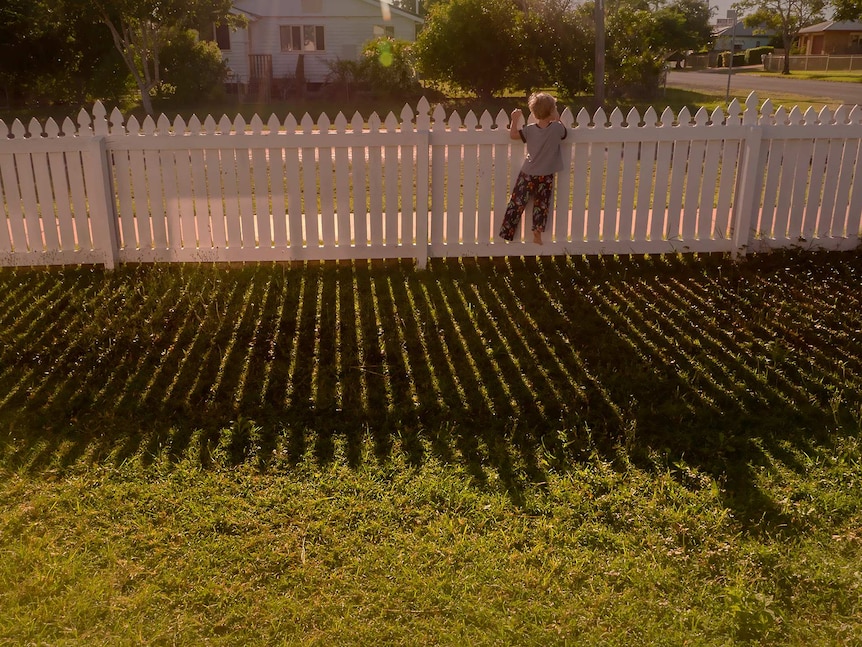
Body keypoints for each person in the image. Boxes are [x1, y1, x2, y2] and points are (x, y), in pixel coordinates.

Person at [498, 92, 568, 245]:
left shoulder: (530, 129)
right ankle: (537, 231)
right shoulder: (556, 128)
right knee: (541, 205)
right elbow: (564, 133)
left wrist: (515, 119)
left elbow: (514, 135)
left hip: (528, 173)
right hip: (546, 175)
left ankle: (507, 231)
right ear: (551, 111)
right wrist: (557, 117)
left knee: (516, 203)